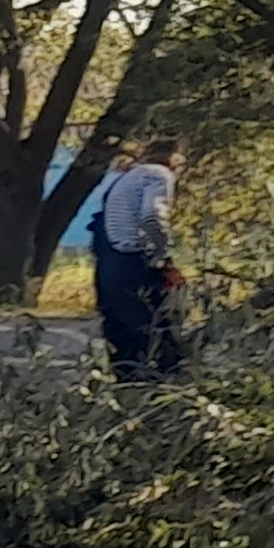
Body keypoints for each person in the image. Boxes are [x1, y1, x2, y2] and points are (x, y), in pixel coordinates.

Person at [90, 137, 187, 384]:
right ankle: (170, 389)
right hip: (133, 261)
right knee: (158, 327)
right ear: (173, 158)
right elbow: (152, 215)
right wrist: (163, 256)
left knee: (122, 334)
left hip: (108, 261)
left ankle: (127, 388)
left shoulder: (127, 178)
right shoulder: (159, 175)